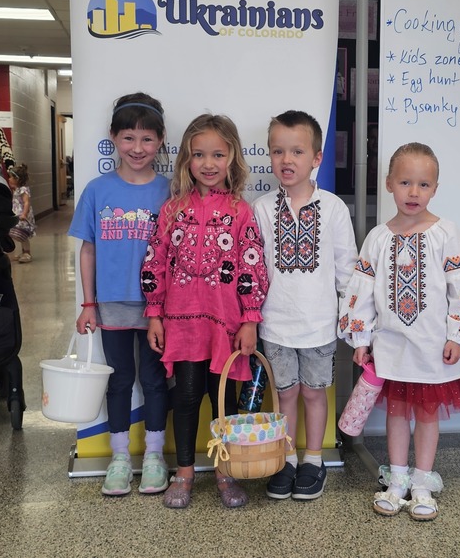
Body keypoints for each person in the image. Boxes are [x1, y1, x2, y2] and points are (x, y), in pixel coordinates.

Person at [337, 142, 460, 521]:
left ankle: (422, 483)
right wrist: (361, 339)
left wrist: (458, 336)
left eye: (423, 184)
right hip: (390, 346)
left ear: (435, 188)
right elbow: (361, 291)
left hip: (433, 347)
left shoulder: (445, 233)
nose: (414, 192)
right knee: (396, 413)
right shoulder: (378, 237)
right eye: (405, 182)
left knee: (426, 414)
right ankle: (397, 480)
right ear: (389, 183)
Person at [141, 113, 270, 509]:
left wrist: (249, 319)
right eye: (199, 155)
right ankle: (184, 473)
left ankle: (224, 472)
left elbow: (252, 266)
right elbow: (154, 262)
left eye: (218, 155)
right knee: (185, 398)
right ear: (186, 159)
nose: (208, 164)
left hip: (225, 326)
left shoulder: (241, 211)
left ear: (232, 158)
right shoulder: (172, 210)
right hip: (181, 325)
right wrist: (154, 313)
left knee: (224, 402)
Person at [68, 92, 171, 497]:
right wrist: (88, 304)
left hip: (157, 308)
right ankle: (120, 458)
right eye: (128, 137)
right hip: (110, 305)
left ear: (160, 140)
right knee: (119, 380)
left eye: (147, 139)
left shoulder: (169, 191)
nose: (137, 148)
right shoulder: (97, 190)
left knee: (155, 380)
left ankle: (155, 456)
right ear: (113, 137)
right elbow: (88, 249)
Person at [252, 110, 358, 500]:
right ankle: (286, 460)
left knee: (314, 394)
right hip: (275, 324)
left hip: (319, 324)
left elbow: (347, 270)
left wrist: (352, 321)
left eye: (297, 151)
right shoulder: (262, 208)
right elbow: (254, 269)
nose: (287, 160)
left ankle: (313, 460)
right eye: (278, 151)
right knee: (284, 395)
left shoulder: (333, 208)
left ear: (316, 157)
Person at [7, 163, 36, 263]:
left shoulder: (23, 190)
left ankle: (27, 253)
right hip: (16, 215)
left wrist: (24, 213)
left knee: (22, 235)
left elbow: (26, 202)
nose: (9, 179)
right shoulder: (15, 190)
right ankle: (22, 252)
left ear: (17, 179)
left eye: (11, 177)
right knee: (15, 233)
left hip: (22, 215)